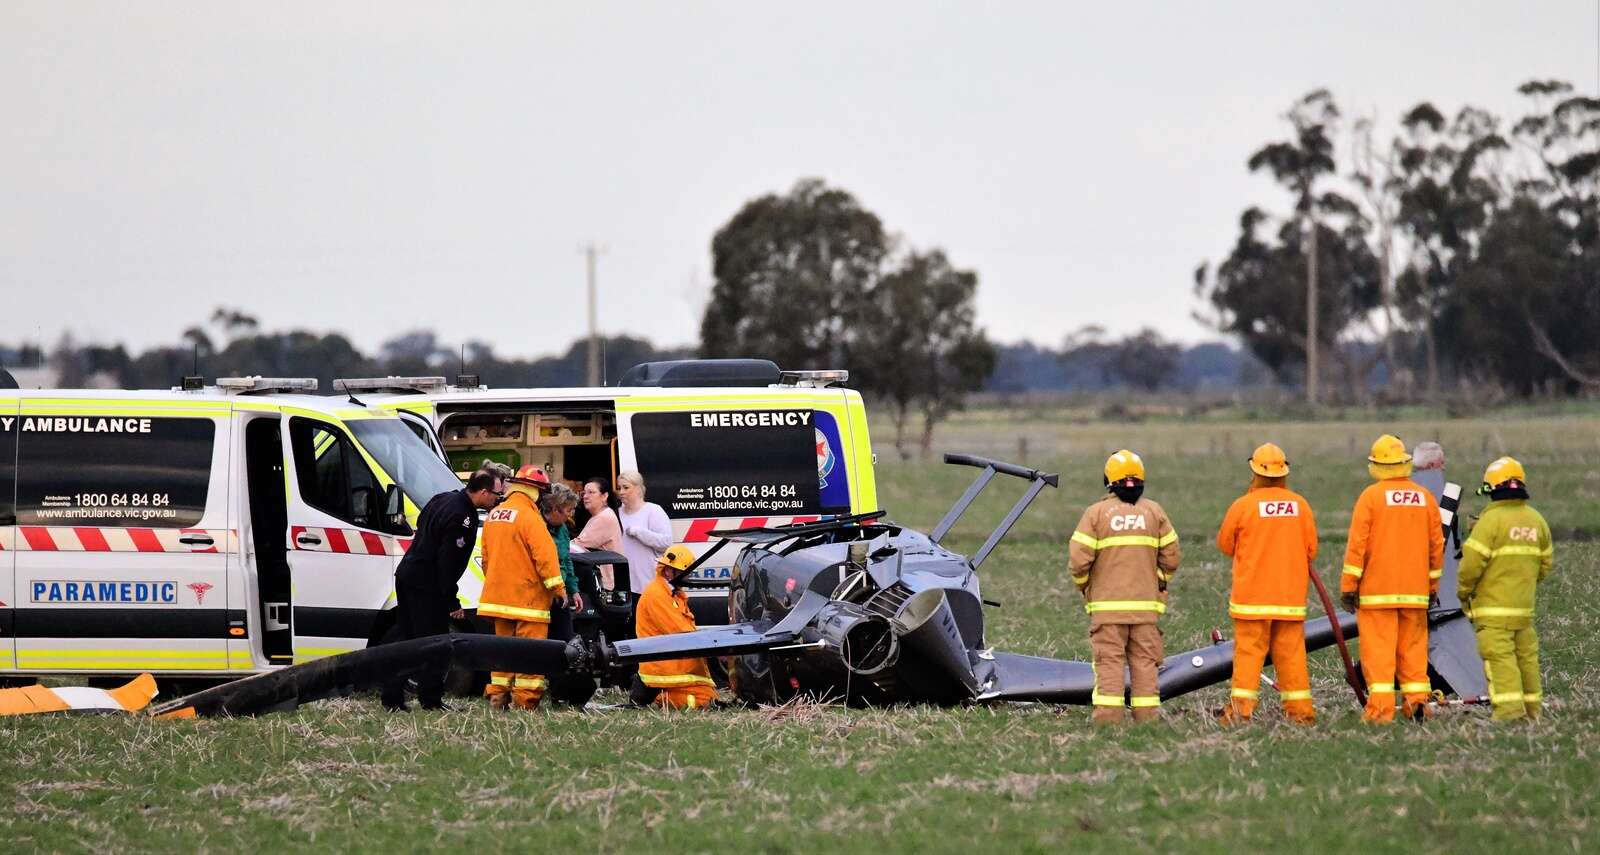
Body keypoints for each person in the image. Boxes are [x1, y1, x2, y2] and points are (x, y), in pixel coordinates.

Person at [1068, 449, 1181, 725]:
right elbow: (1172, 557)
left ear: (1108, 479)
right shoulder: (1154, 512)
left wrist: (1087, 588)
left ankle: (1108, 722)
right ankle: (1147, 720)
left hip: (1107, 612)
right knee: (1145, 666)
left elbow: (1078, 562)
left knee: (1109, 665)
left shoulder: (1095, 514)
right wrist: (1155, 582)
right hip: (1145, 612)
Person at [1340, 434, 1445, 724]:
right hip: (1415, 594)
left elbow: (1357, 547)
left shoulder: (1370, 498)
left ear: (1376, 465)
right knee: (1413, 653)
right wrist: (1431, 587)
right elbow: (1436, 548)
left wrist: (1349, 588)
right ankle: (1418, 705)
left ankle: (1380, 713)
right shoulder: (1424, 498)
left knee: (1379, 656)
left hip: (1377, 596)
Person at [1214, 443, 1319, 724]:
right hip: (1289, 600)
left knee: (1248, 658)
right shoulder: (1300, 505)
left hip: (1252, 601)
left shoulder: (1243, 506)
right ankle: (1301, 714)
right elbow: (1312, 549)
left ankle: (1240, 713)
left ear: (1254, 471)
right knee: (1292, 658)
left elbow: (1225, 544)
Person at [380, 471, 501, 711]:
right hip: (427, 586)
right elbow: (447, 563)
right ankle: (431, 700)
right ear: (484, 492)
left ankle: (392, 696)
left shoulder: (443, 498)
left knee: (406, 640)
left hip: (407, 575)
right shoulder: (462, 517)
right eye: (497, 495)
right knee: (436, 645)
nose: (498, 499)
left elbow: (422, 525)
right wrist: (452, 602)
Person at [1458, 456, 1554, 722]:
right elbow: (1545, 563)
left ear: (1492, 490)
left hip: (1492, 611)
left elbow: (1470, 567)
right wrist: (1523, 583)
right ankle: (1532, 711)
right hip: (1523, 609)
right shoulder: (1536, 520)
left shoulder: (1490, 523)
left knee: (1500, 660)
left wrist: (1464, 592)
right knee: (1527, 660)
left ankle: (1509, 713)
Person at [478, 465, 567, 711]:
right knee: (531, 653)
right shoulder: (530, 517)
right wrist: (559, 589)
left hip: (498, 599)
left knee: (502, 652)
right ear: (535, 491)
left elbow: (486, 558)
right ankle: (524, 702)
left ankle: (498, 698)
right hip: (528, 601)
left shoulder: (494, 514)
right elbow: (545, 558)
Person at [633, 545, 717, 709]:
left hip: (674, 662)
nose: (688, 578)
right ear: (668, 571)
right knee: (703, 699)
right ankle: (658, 697)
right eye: (685, 573)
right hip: (665, 667)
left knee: (709, 695)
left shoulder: (671, 592)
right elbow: (681, 633)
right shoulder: (657, 594)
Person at [615, 470, 673, 596]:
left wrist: (639, 532)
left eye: (626, 487)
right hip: (625, 584)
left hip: (649, 584)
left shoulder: (653, 511)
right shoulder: (617, 514)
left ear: (638, 489)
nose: (621, 492)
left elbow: (666, 542)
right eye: (619, 488)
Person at [540, 483, 584, 639]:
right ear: (554, 509)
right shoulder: (536, 527)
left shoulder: (562, 528)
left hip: (560, 593)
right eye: (568, 510)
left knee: (565, 638)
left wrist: (573, 590)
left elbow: (566, 560)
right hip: (541, 594)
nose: (570, 515)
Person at [571, 477, 624, 591]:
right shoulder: (601, 515)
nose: (585, 496)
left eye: (591, 492)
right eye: (584, 493)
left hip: (604, 585)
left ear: (605, 496)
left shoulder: (604, 518)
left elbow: (576, 546)